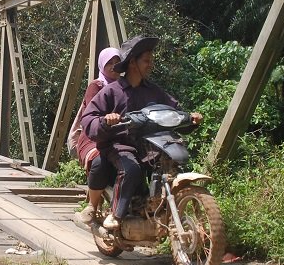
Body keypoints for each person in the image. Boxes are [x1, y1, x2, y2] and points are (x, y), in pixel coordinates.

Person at [80, 35, 203, 231]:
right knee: (132, 169)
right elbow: (88, 119)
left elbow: (174, 113)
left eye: (151, 60)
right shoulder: (111, 91)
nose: (150, 65)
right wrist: (105, 121)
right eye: (146, 60)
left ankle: (159, 211)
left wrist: (191, 119)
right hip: (119, 145)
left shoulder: (154, 91)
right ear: (132, 63)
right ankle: (115, 215)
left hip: (150, 146)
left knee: (170, 165)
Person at [73, 47, 122, 225]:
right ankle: (92, 206)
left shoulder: (127, 86)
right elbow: (91, 115)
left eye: (117, 63)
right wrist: (105, 120)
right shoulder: (96, 86)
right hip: (93, 136)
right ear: (102, 64)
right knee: (100, 159)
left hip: (119, 135)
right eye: (109, 63)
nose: (113, 66)